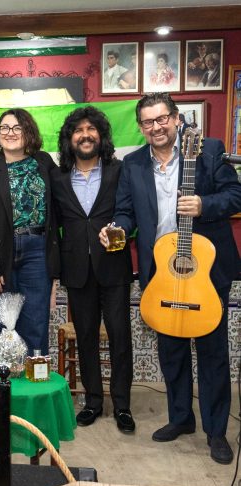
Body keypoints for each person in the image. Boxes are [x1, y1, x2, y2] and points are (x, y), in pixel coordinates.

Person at [100, 92, 241, 464]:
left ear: (177, 119)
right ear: (141, 126)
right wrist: (116, 229)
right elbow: (126, 212)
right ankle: (181, 418)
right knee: (172, 352)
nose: (155, 127)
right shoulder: (132, 164)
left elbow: (236, 193)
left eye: (161, 119)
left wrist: (205, 204)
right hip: (162, 272)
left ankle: (216, 432)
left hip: (206, 272)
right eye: (147, 122)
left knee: (212, 356)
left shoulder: (208, 150)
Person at [51, 106, 135, 433]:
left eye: (91, 129)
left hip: (113, 267)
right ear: (69, 138)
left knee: (120, 337)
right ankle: (94, 402)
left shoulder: (118, 171)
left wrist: (120, 229)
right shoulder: (58, 176)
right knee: (85, 338)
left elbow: (129, 212)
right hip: (76, 271)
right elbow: (52, 225)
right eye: (78, 130)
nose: (85, 135)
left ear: (100, 135)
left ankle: (123, 406)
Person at [0, 108, 60, 356]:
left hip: (37, 251)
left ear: (28, 132)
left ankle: (34, 388)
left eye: (16, 127)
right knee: (1, 324)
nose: (9, 133)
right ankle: (4, 389)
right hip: (0, 255)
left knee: (36, 324)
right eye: (4, 128)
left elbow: (62, 203)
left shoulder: (43, 162)